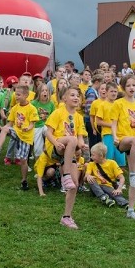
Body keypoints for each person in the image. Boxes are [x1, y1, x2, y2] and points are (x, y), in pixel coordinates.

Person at [44, 86, 89, 229]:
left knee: (74, 185)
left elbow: (80, 137)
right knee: (71, 139)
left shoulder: (79, 117)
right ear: (64, 98)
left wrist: (82, 146)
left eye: (78, 96)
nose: (76, 98)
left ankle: (66, 217)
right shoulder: (58, 112)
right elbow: (48, 133)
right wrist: (56, 143)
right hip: (56, 147)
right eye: (72, 95)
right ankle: (66, 175)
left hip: (70, 152)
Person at [111, 74, 135, 220]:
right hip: (123, 140)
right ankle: (132, 175)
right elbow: (114, 122)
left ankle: (131, 210)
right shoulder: (118, 103)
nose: (131, 88)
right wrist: (114, 136)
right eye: (128, 85)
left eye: (134, 85)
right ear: (123, 88)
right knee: (134, 140)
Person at [0, 85, 38, 190]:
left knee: (23, 160)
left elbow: (32, 124)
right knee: (5, 129)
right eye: (15, 94)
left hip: (26, 136)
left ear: (26, 95)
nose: (16, 96)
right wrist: (3, 127)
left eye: (18, 94)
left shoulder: (32, 108)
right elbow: (10, 124)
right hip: (16, 131)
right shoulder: (15, 108)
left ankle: (24, 180)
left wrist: (28, 128)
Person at [84, 142, 127, 207]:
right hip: (95, 187)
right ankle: (104, 197)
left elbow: (122, 178)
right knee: (92, 179)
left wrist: (119, 188)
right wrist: (88, 176)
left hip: (108, 186)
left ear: (101, 156)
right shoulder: (91, 164)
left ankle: (125, 204)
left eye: (93, 155)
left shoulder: (112, 163)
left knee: (114, 192)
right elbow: (86, 177)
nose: (91, 157)